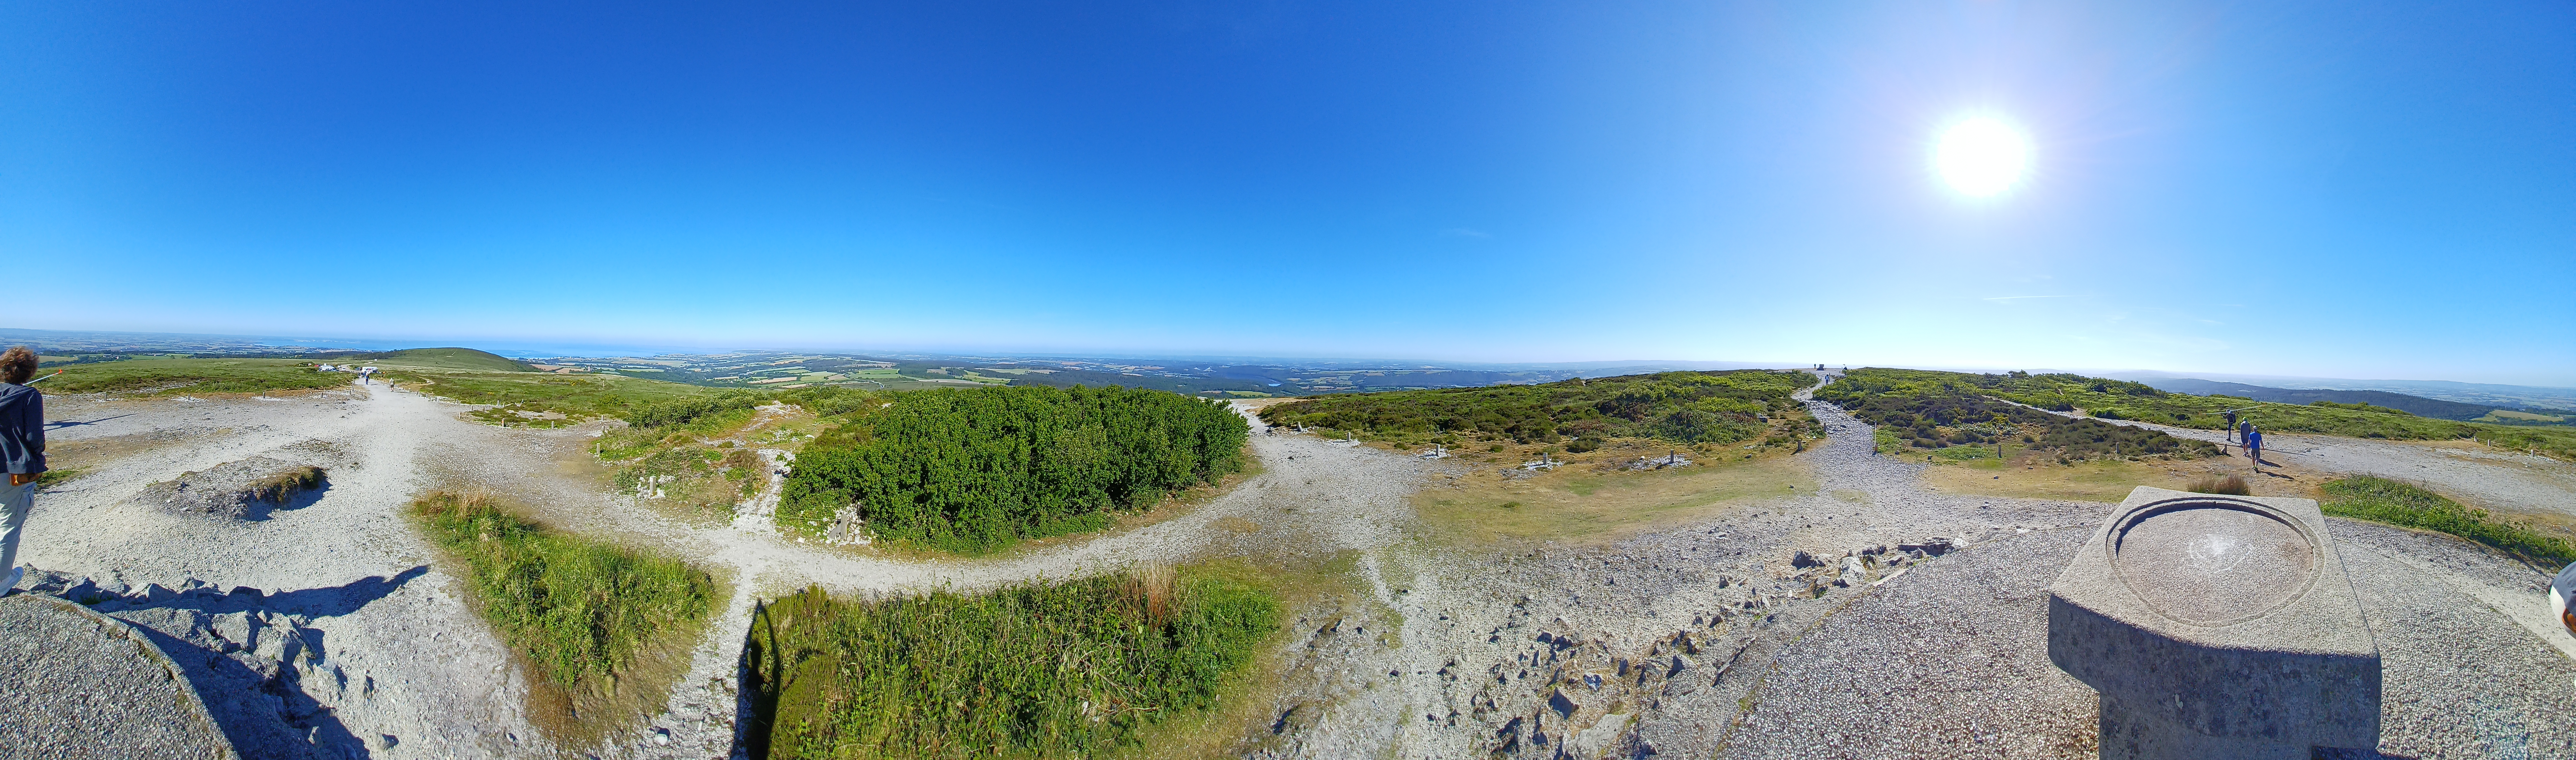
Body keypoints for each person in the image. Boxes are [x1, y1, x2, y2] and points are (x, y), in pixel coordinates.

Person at [0, 346, 46, 594]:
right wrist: (38, 459)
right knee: (9, 525)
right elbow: (34, 437)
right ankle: (1, 581)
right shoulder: (29, 397)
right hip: (12, 470)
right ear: (30, 372)